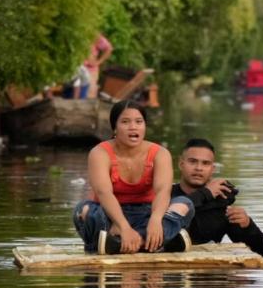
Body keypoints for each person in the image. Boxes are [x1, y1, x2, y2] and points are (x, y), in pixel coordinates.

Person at [72, 100, 194, 255]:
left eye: (139, 121)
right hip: (110, 215)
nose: (133, 127)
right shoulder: (99, 153)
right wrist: (122, 225)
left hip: (147, 214)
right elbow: (104, 193)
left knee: (184, 204)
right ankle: (160, 243)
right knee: (84, 210)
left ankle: (127, 243)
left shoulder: (160, 154)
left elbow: (163, 191)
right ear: (114, 127)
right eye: (125, 122)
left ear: (145, 126)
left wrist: (156, 220)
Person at [171, 138, 263, 261]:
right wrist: (205, 193)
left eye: (205, 163)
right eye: (192, 162)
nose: (198, 168)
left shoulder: (220, 203)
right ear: (181, 164)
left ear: (212, 169)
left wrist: (248, 226)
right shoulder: (164, 195)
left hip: (210, 276)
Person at [83, 34, 114, 99]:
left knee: (88, 96)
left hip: (90, 70)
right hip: (76, 68)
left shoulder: (94, 35)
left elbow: (109, 48)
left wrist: (98, 62)